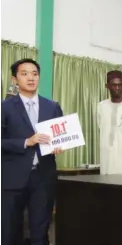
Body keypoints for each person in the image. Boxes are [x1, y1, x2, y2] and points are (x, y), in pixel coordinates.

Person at [2, 58, 64, 245]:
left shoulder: (52, 106)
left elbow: (60, 134)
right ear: (15, 79)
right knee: (9, 231)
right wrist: (26, 142)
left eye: (35, 74)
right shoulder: (4, 107)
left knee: (41, 231)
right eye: (24, 74)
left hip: (43, 178)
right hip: (12, 178)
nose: (31, 78)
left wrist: (59, 145)